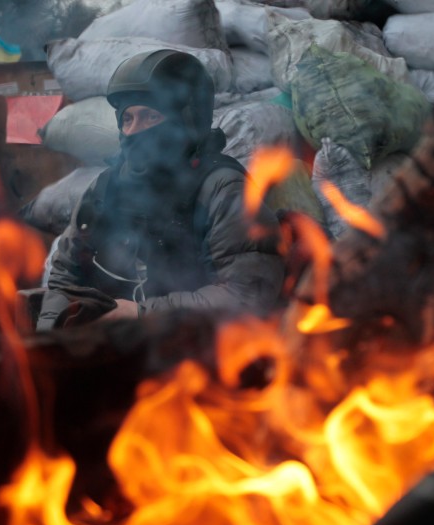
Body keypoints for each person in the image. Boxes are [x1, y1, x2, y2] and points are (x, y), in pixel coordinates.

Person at [36, 49, 285, 331]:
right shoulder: (105, 188)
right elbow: (64, 277)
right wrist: (50, 335)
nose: (133, 131)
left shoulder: (221, 189)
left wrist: (142, 314)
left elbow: (247, 294)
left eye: (150, 117)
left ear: (188, 121)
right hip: (119, 348)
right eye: (127, 119)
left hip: (203, 354)